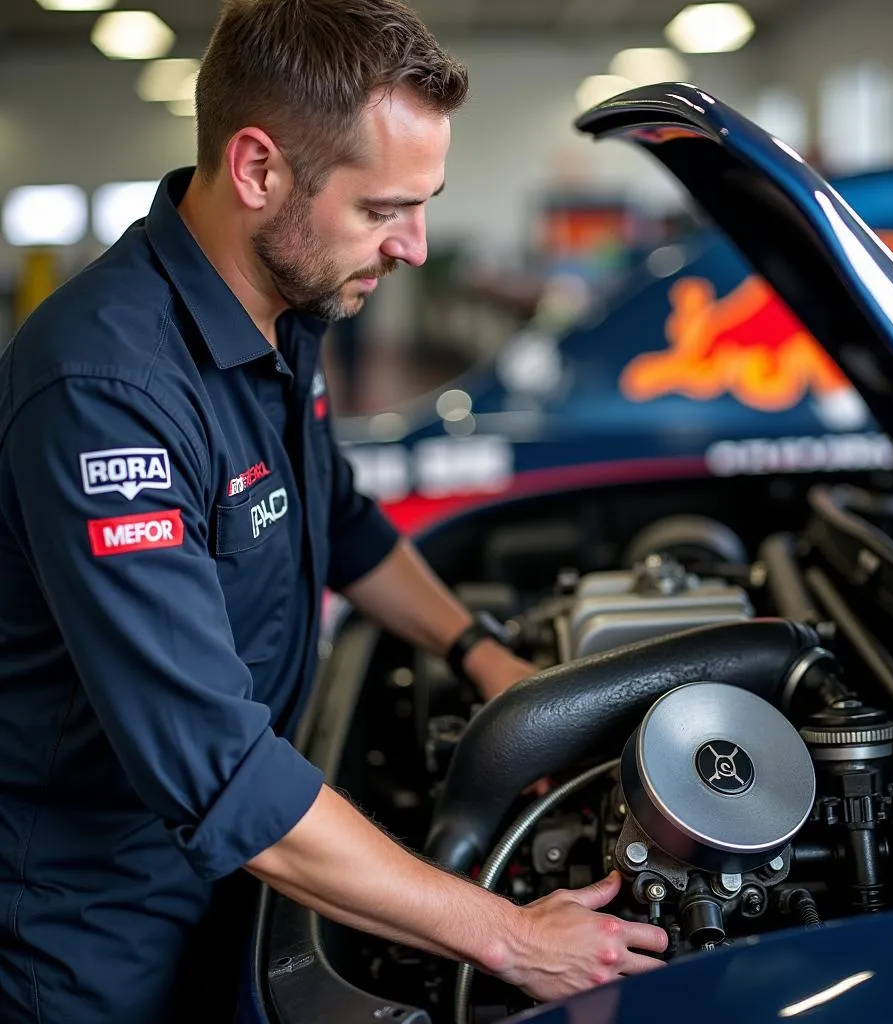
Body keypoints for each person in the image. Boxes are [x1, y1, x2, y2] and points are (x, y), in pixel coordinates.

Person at [0, 1, 668, 1020]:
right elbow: (216, 770)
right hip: (91, 917)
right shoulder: (105, 394)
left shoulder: (284, 307)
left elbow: (341, 521)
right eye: (383, 208)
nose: (414, 245)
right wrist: (511, 935)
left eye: (425, 202)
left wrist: (485, 657)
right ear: (258, 170)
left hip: (243, 851)